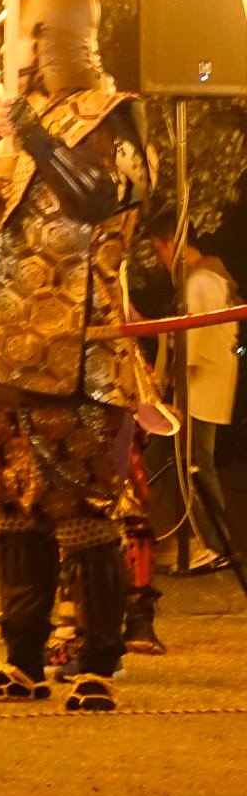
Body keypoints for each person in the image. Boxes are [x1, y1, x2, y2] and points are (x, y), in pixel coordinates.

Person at [0, 0, 154, 713]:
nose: (4, 46)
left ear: (53, 37)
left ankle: (96, 663)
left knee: (82, 513)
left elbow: (99, 197)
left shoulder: (113, 115)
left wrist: (38, 135)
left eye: (17, 33)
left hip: (74, 348)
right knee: (13, 512)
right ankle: (21, 660)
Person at [151, 234, 238, 573]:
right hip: (204, 387)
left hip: (199, 389)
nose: (159, 261)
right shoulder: (211, 276)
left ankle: (214, 544)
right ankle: (201, 539)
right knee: (189, 463)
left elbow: (193, 342)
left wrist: (168, 382)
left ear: (174, 242)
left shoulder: (200, 279)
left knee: (197, 466)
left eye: (159, 250)